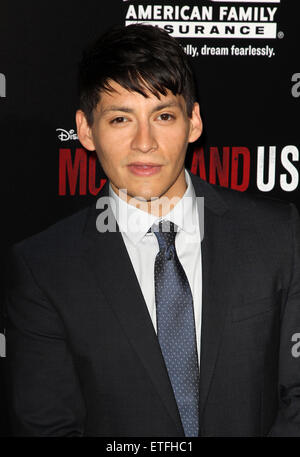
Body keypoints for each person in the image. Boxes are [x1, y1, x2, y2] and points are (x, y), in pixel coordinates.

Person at [4, 23, 300, 437]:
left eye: (163, 115)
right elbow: (48, 427)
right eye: (121, 119)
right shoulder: (44, 268)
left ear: (193, 122)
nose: (145, 142)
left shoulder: (278, 236)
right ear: (86, 130)